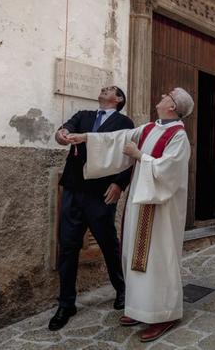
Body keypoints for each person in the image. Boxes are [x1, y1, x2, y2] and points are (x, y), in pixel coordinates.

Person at [66, 87, 194, 343]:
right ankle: (139, 308)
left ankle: (164, 314)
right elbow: (118, 138)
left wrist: (140, 156)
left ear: (174, 106)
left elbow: (170, 170)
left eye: (165, 96)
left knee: (157, 258)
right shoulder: (149, 128)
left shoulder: (178, 136)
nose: (160, 96)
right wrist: (86, 138)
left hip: (160, 209)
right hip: (139, 201)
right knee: (134, 256)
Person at [48, 85, 134, 331]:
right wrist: (62, 134)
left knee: (108, 243)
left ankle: (122, 290)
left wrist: (120, 184)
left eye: (109, 89)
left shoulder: (124, 122)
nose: (103, 90)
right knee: (68, 246)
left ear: (118, 99)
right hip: (74, 189)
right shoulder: (83, 116)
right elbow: (62, 132)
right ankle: (66, 303)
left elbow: (128, 157)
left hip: (102, 192)